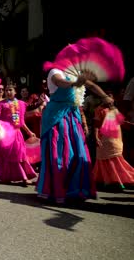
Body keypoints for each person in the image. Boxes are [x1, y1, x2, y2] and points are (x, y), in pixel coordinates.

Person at [36, 68, 113, 203]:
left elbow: (91, 85)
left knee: (80, 154)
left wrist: (104, 96)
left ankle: (76, 189)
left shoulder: (74, 73)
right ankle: (57, 190)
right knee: (61, 154)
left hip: (73, 116)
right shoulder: (55, 72)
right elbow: (60, 82)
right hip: (57, 117)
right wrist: (76, 82)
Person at [0, 83, 37, 185]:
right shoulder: (1, 104)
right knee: (6, 156)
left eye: (10, 90)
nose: (8, 92)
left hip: (17, 134)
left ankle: (24, 177)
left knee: (19, 155)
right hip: (5, 134)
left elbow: (21, 122)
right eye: (7, 90)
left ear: (15, 92)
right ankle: (6, 176)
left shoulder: (21, 104)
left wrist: (29, 132)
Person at [93, 98, 134, 190]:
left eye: (111, 98)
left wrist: (130, 125)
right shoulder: (100, 109)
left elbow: (122, 122)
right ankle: (111, 181)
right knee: (108, 160)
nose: (110, 101)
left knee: (116, 159)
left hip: (115, 140)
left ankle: (116, 180)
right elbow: (96, 124)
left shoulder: (114, 110)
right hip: (104, 139)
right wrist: (96, 137)